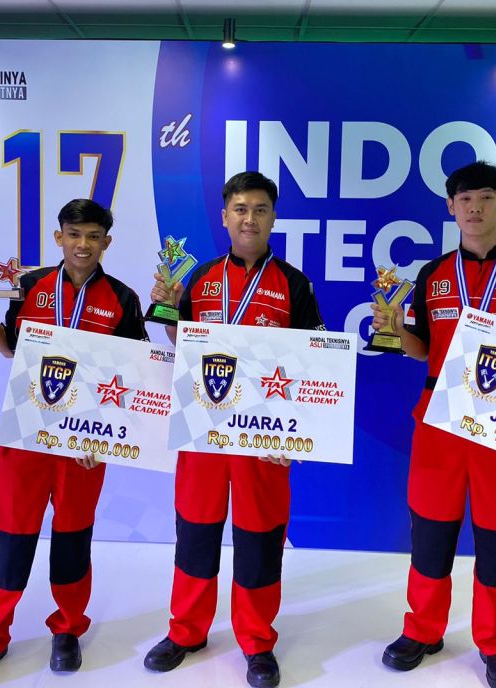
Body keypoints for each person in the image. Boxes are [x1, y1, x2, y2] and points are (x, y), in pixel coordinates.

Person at [372, 162, 496, 688]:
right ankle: (422, 630)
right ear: (451, 208)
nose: (475, 208)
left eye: (486, 197)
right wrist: (394, 330)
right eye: (465, 199)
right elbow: (421, 349)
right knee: (430, 534)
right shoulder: (433, 274)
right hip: (438, 424)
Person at [0, 199, 148, 687]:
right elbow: (9, 349)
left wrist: (104, 437)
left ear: (107, 242)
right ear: (59, 237)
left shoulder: (123, 299)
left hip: (84, 448)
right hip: (25, 435)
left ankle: (67, 628)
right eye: (74, 234)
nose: (83, 244)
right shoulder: (28, 285)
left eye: (93, 236)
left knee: (72, 540)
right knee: (7, 536)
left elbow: (135, 375)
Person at [143, 171, 325, 688]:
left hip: (263, 437)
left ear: (273, 217)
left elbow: (314, 362)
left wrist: (292, 435)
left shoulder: (294, 284)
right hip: (203, 429)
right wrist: (167, 310)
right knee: (195, 532)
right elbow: (181, 343)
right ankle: (186, 631)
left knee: (260, 538)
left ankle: (257, 640)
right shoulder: (200, 278)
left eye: (260, 209)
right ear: (225, 217)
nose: (250, 219)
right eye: (240, 209)